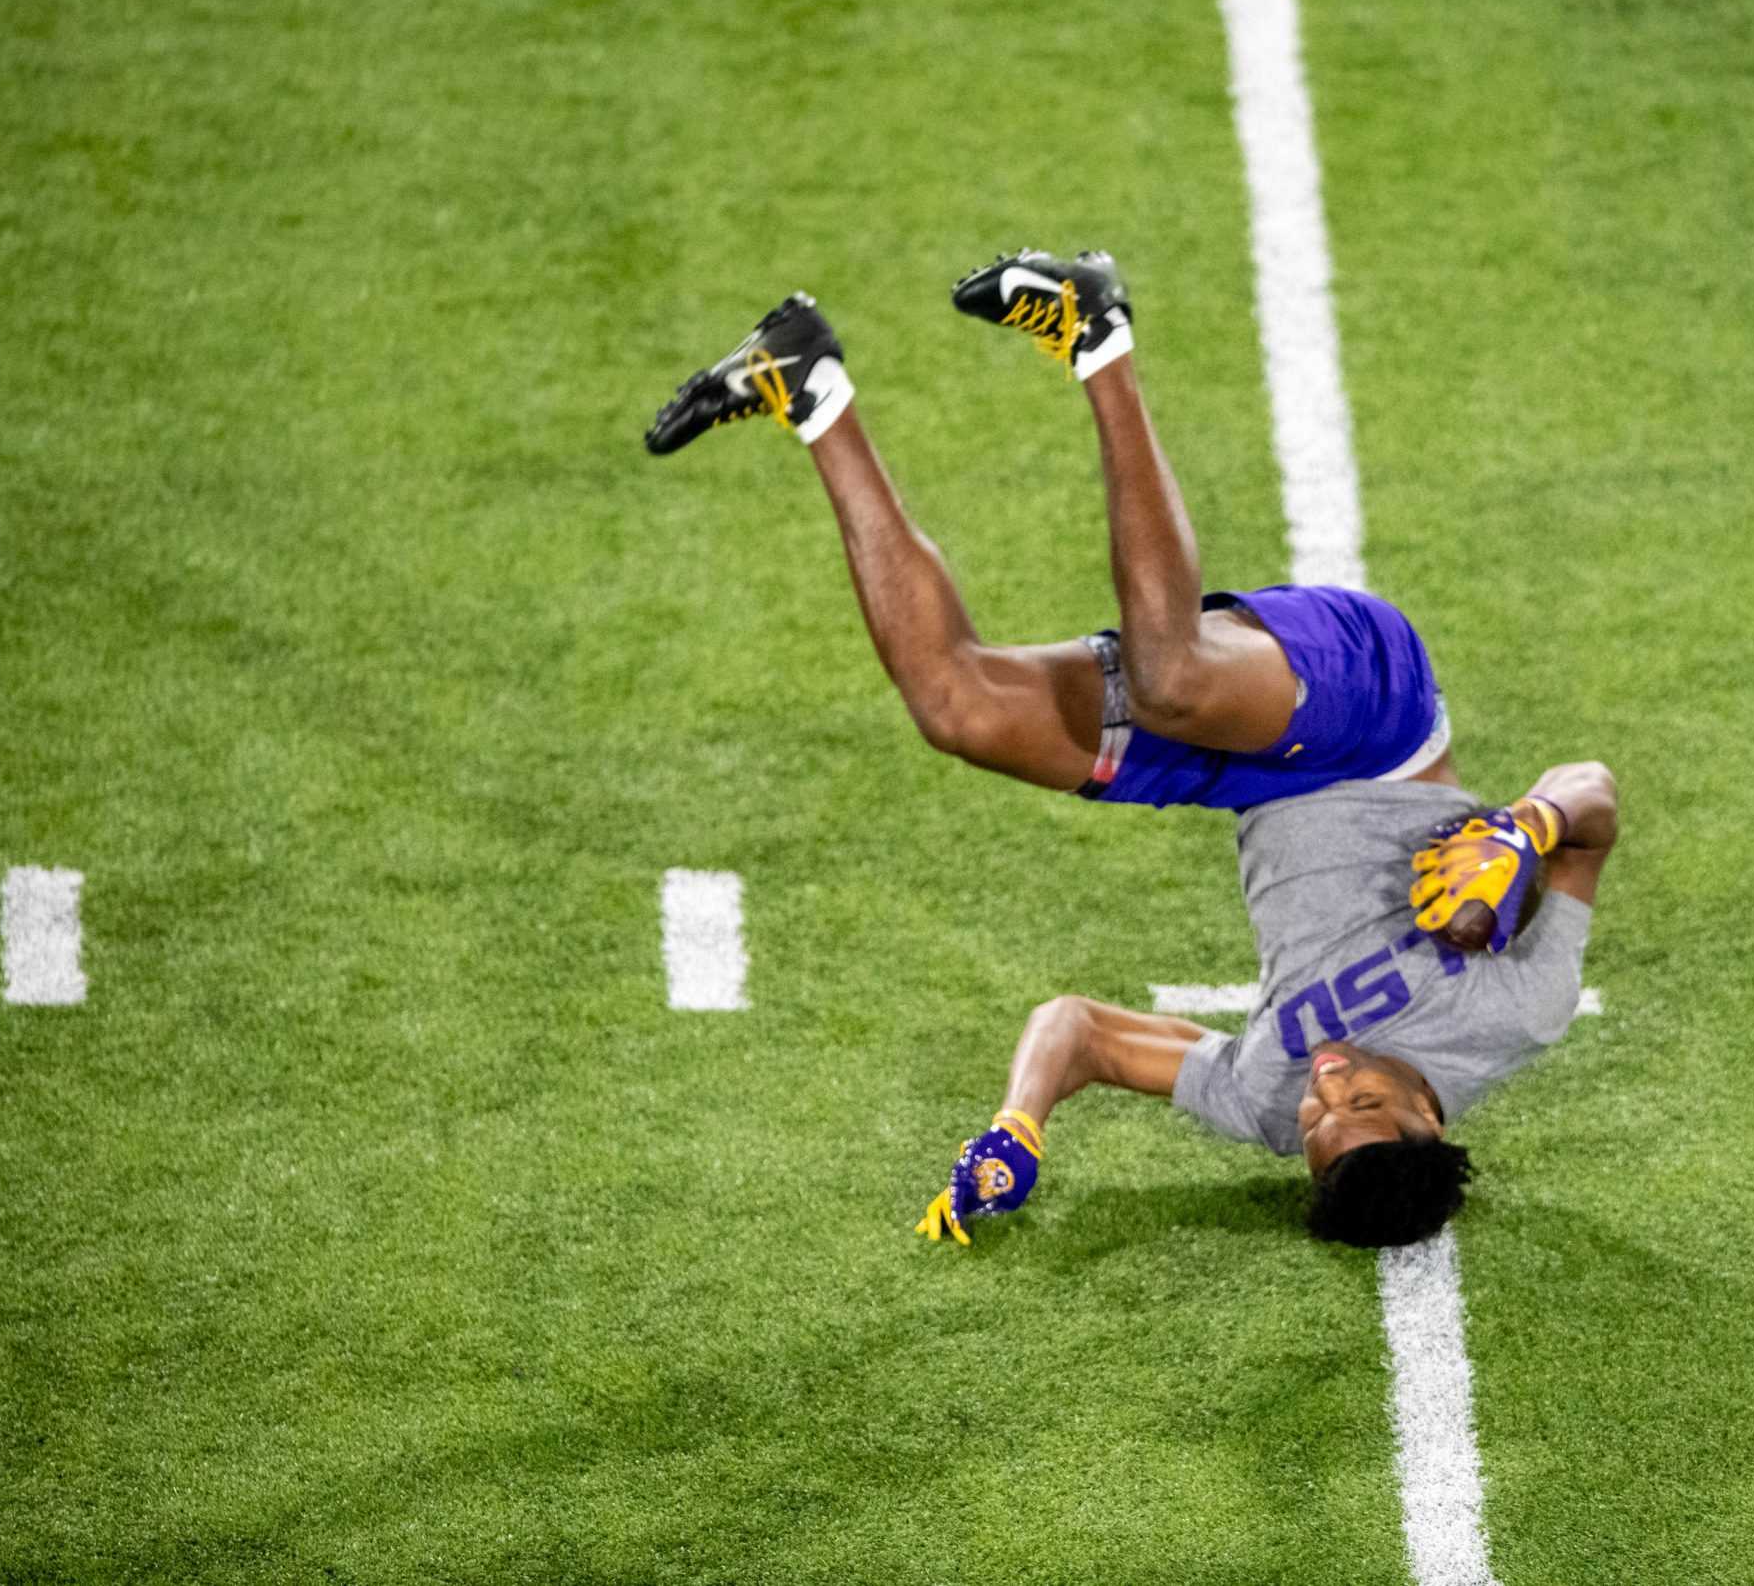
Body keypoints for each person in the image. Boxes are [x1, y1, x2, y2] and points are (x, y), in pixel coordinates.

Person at [644, 250, 1619, 1248]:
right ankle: (1093, 327)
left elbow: (1079, 1029)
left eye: (1318, 1129)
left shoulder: (1264, 1102)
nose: (1324, 1089)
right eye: (1360, 1105)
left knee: (957, 708)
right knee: (1175, 681)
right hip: (1375, 726)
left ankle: (803, 383)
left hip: (1251, 778)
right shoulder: (1517, 1015)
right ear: (1426, 1119)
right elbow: (1593, 801)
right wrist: (1526, 827)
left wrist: (1018, 1122)